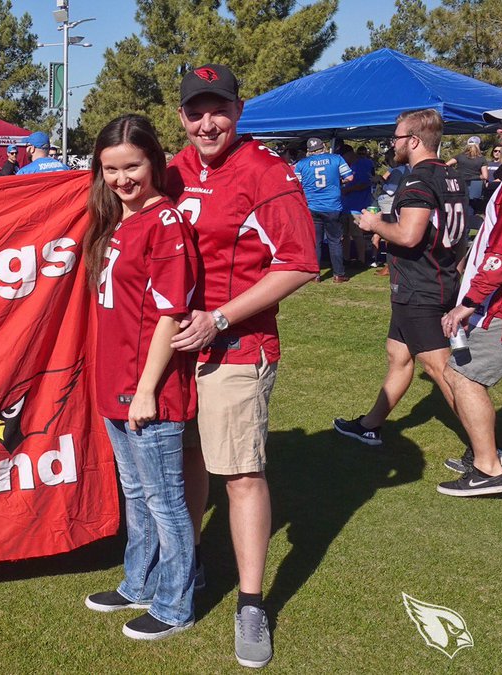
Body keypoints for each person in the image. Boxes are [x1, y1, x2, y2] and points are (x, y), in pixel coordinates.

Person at [165, 64, 317, 669]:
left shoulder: (266, 171)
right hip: (175, 347)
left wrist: (221, 318)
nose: (209, 122)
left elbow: (301, 263)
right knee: (188, 459)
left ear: (239, 108)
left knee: (241, 473)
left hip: (235, 346)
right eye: (197, 111)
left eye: (219, 108)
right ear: (181, 116)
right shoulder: (174, 167)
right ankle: (192, 563)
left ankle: (251, 603)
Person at [81, 114, 199, 641]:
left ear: (155, 161)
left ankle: (176, 605)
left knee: (164, 500)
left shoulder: (166, 222)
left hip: (146, 388)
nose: (123, 178)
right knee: (136, 491)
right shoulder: (117, 221)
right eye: (111, 169)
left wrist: (147, 389)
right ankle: (138, 582)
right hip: (114, 382)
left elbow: (170, 314)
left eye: (133, 166)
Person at [336, 109, 469, 446]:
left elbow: (409, 235)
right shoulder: (449, 176)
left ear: (413, 140)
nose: (391, 143)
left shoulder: (417, 180)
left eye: (396, 137)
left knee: (440, 369)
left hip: (420, 286)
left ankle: (484, 450)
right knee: (399, 356)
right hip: (435, 277)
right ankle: (370, 425)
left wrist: (374, 224)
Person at [437, 163, 502, 496]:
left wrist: (469, 302)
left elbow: (501, 254)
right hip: (490, 302)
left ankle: (489, 469)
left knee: (463, 376)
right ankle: (487, 454)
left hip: (499, 307)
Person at [293, 137, 353, 282]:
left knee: (315, 241)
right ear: (324, 146)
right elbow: (349, 177)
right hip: (332, 206)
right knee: (335, 241)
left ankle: (315, 274)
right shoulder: (336, 159)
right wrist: (338, 182)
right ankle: (338, 274)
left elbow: (295, 184)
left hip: (312, 206)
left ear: (309, 150)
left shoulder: (301, 164)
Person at [341, 146, 376, 266]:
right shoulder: (348, 166)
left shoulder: (364, 163)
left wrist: (349, 189)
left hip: (358, 205)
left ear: (350, 154)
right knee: (344, 234)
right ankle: (346, 258)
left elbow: (366, 183)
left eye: (344, 157)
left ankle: (361, 259)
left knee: (357, 234)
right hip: (345, 205)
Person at [447, 136, 485, 211]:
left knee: (460, 203)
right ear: (478, 145)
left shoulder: (460, 156)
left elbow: (446, 165)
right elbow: (485, 176)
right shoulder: (482, 159)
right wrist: (476, 176)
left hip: (460, 182)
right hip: (475, 184)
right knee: (473, 205)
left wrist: (453, 174)